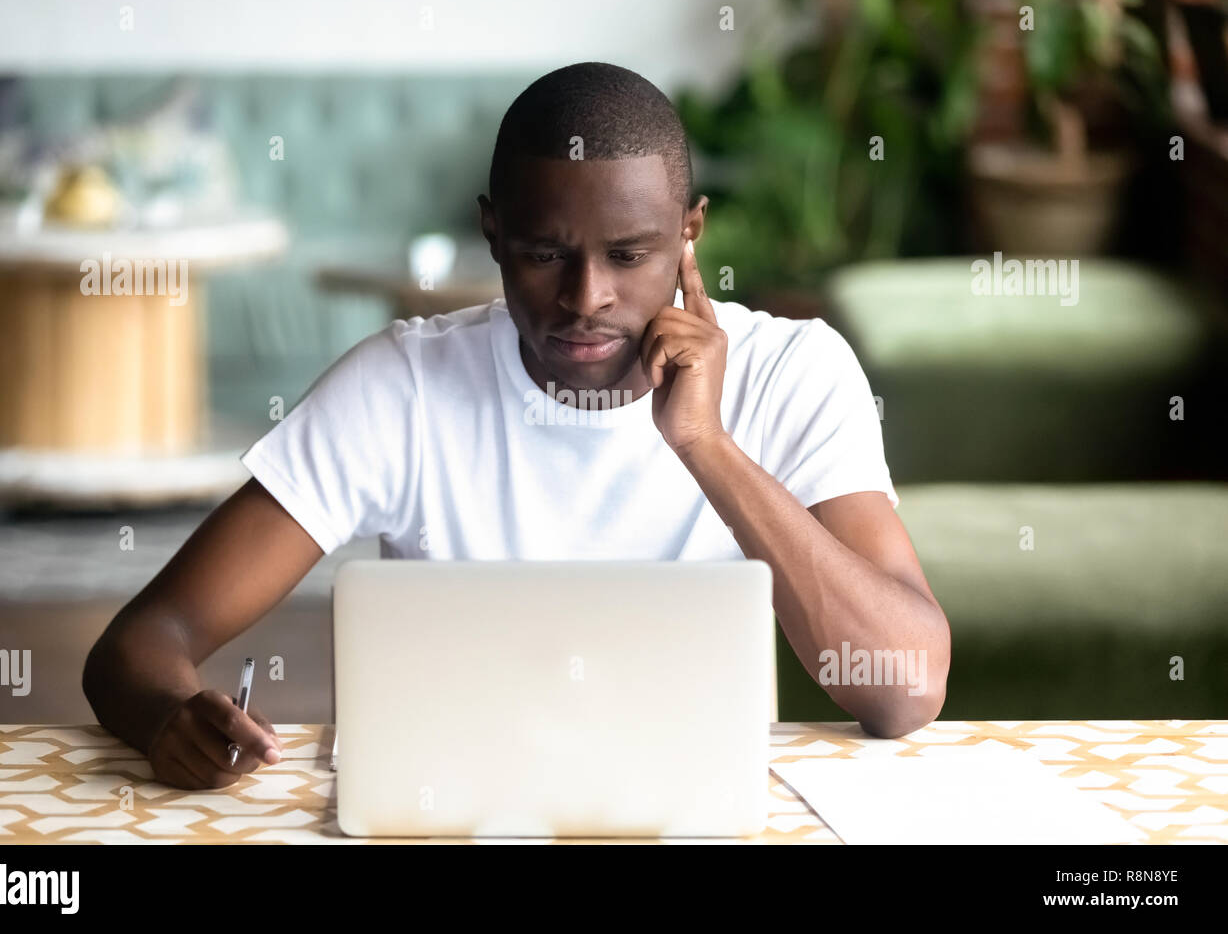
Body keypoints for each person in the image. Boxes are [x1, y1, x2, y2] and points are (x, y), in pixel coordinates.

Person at [84, 61, 950, 790]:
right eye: (545, 254)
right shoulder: (404, 388)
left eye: (629, 255)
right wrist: (170, 716)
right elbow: (141, 642)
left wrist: (707, 447)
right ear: (493, 232)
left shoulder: (794, 373)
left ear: (690, 235)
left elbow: (905, 688)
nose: (586, 299)